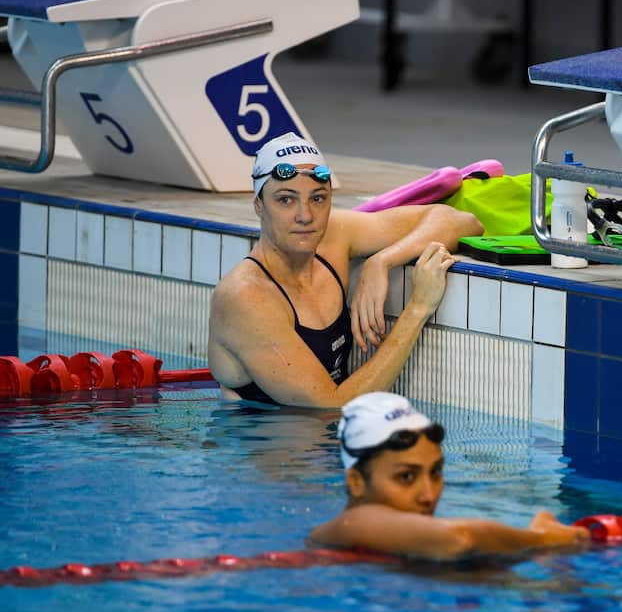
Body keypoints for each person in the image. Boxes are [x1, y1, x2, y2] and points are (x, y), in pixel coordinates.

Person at [208, 132, 483, 407]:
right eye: (285, 200)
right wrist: (418, 309)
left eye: (318, 199)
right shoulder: (243, 297)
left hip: (332, 442)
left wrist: (382, 261)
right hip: (264, 445)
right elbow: (332, 406)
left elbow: (460, 221)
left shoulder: (334, 236)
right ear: (258, 205)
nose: (305, 216)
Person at [309, 393, 591, 560]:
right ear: (356, 482)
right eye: (406, 477)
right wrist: (542, 538)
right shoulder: (354, 523)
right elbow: (462, 538)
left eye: (436, 473)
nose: (429, 495)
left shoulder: (403, 547)